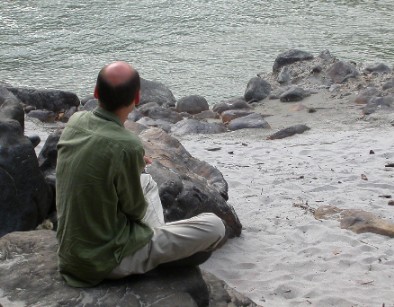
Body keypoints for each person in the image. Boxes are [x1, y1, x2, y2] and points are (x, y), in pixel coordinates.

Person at [56, 61, 226, 287]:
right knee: (215, 226)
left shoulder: (76, 121)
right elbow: (135, 211)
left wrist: (132, 169)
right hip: (107, 261)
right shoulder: (127, 145)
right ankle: (158, 252)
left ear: (96, 92)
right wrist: (130, 166)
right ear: (137, 99)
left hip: (71, 253)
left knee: (145, 180)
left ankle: (158, 243)